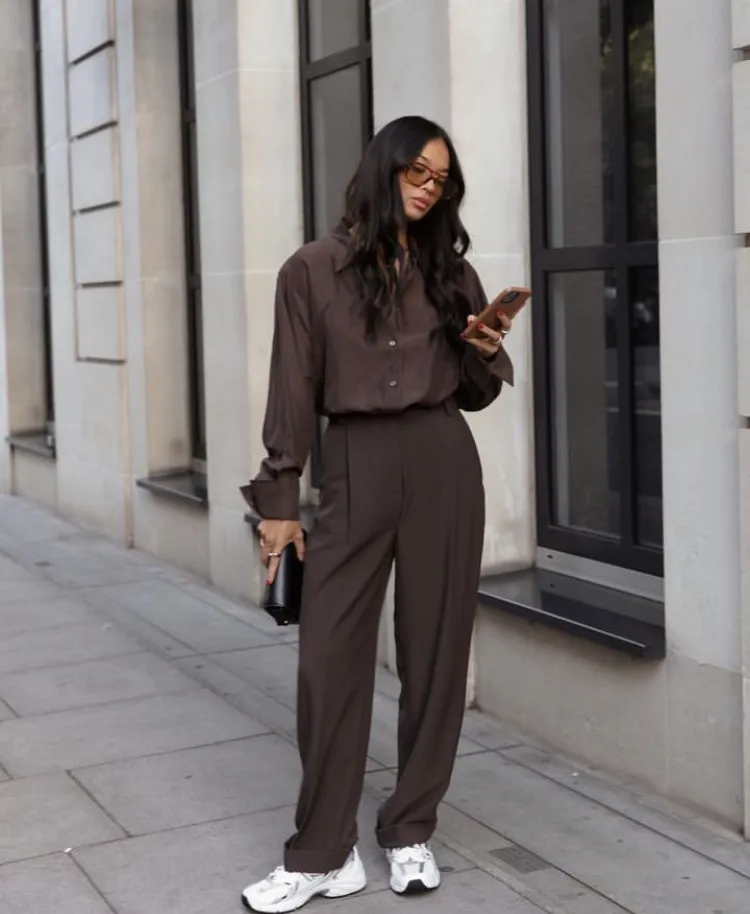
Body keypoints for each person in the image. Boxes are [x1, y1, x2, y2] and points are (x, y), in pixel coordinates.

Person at [240, 115, 514, 914]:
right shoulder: (312, 271)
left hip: (441, 462)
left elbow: (474, 392)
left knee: (434, 655)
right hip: (354, 464)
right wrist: (279, 500)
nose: (430, 188)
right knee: (327, 660)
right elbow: (290, 391)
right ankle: (324, 852)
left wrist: (486, 347)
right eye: (417, 172)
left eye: (442, 180)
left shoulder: (451, 276)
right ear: (383, 169)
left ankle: (410, 829)